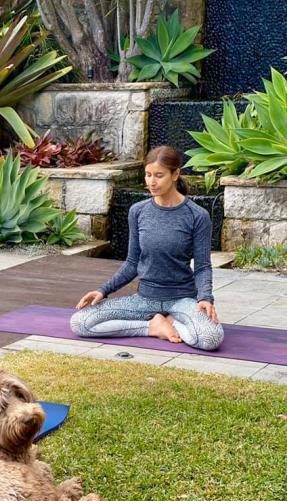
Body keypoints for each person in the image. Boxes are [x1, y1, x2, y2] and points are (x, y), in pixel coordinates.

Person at [71, 146, 224, 351]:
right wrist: (103, 290)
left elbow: (203, 267)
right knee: (80, 322)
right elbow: (132, 263)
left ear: (175, 174)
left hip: (182, 300)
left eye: (159, 175)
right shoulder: (138, 211)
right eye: (148, 174)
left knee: (212, 338)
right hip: (144, 299)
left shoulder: (197, 216)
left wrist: (205, 297)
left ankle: (172, 321)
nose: (151, 182)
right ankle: (153, 327)